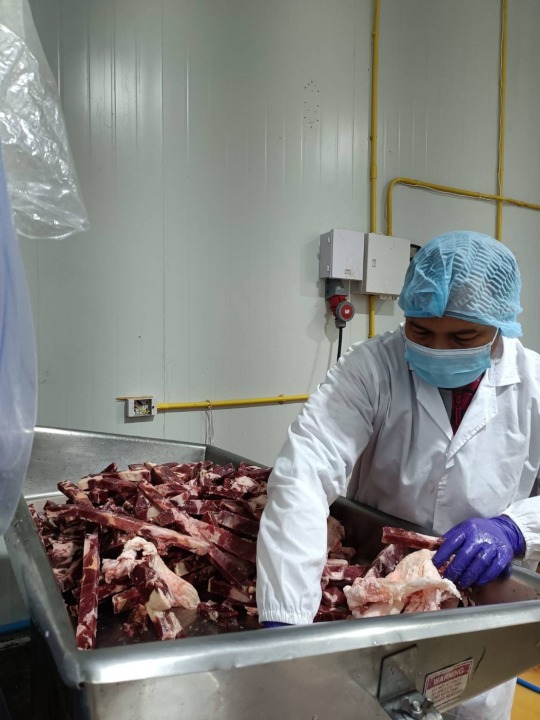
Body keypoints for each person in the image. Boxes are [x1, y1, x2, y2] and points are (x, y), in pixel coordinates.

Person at [256, 230, 540, 720]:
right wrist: (286, 621)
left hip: (479, 608)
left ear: (499, 326)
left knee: (471, 704)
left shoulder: (534, 385)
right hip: (377, 593)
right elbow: (305, 473)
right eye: (421, 332)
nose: (439, 349)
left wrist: (515, 527)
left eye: (462, 338)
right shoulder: (372, 368)